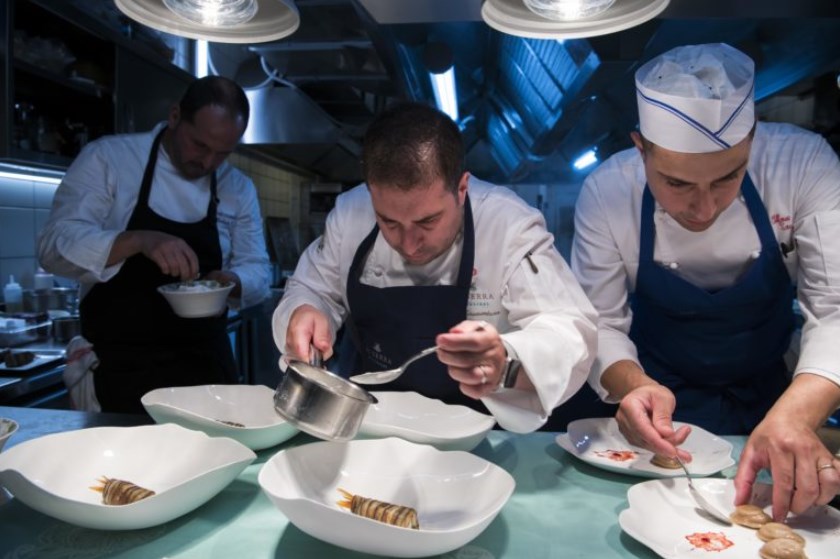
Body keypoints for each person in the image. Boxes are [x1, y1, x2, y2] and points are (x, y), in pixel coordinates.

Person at [571, 43, 840, 519]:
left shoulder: (803, 164)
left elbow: (836, 308)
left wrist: (796, 414)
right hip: (658, 409)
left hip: (771, 400)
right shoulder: (608, 192)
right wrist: (633, 386)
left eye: (726, 179)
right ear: (641, 147)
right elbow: (600, 324)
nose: (705, 208)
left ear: (751, 141)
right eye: (677, 184)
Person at [273, 102, 597, 433]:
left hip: (481, 435)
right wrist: (305, 310)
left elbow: (569, 331)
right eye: (389, 222)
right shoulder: (349, 214)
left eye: (427, 221)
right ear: (371, 193)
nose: (409, 243)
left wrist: (507, 362)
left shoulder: (507, 225)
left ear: (461, 188)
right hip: (375, 427)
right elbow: (311, 288)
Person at [38, 75, 271, 413]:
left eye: (222, 154)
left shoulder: (238, 187)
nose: (207, 163)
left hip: (206, 368)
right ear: (175, 116)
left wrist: (231, 282)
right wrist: (136, 241)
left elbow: (258, 270)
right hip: (123, 370)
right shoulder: (109, 159)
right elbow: (53, 246)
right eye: (199, 145)